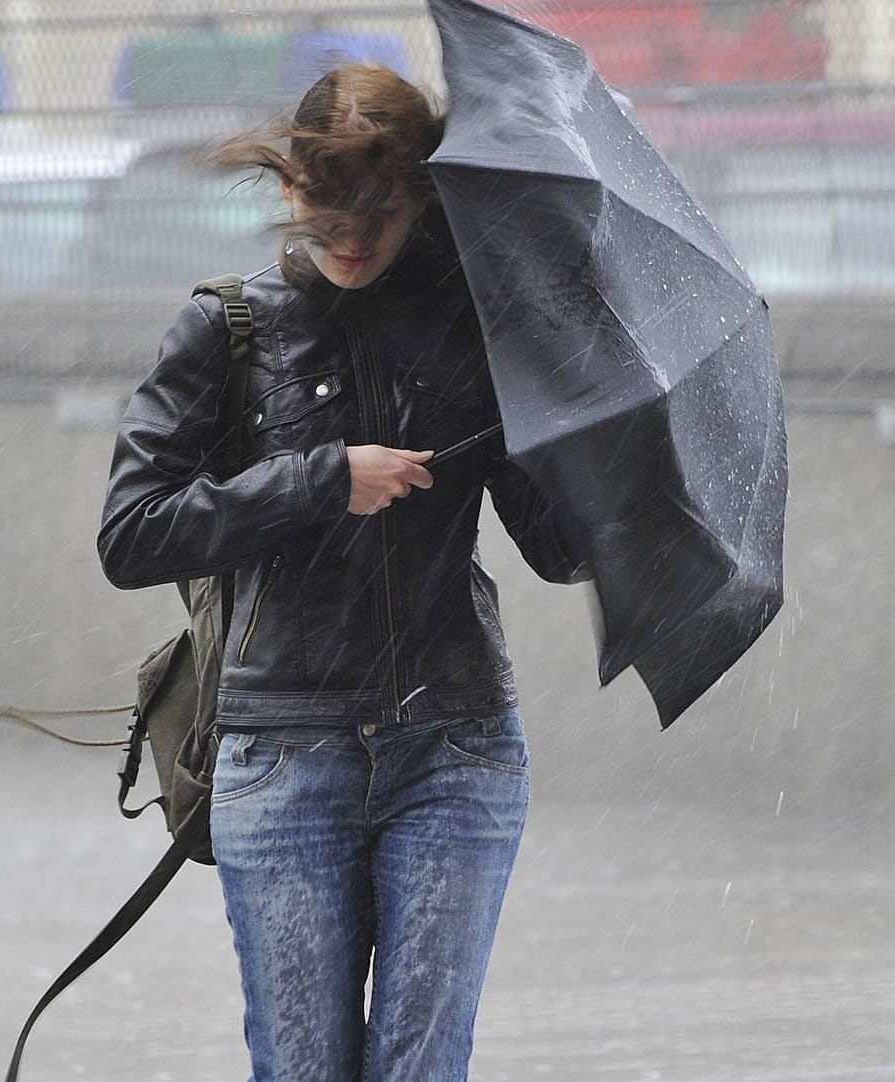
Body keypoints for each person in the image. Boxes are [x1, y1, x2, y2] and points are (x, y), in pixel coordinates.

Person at [96, 62, 586, 1081]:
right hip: (284, 754)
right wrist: (319, 480)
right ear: (289, 186)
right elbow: (131, 534)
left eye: (386, 208)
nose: (355, 236)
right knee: (303, 1066)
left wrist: (567, 416)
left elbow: (560, 548)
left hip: (458, 745)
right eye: (329, 207)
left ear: (426, 192)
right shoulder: (229, 328)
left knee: (422, 1065)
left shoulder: (478, 329)